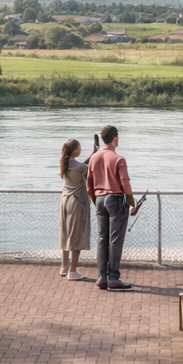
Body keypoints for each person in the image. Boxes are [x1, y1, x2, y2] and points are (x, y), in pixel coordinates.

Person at [86, 124, 139, 291]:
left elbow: (89, 185)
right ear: (115, 138)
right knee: (115, 240)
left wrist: (96, 202)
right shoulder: (119, 159)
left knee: (102, 239)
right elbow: (125, 184)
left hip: (99, 198)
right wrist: (132, 203)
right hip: (115, 199)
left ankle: (102, 277)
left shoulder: (94, 157)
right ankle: (114, 278)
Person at [58, 139, 92, 281]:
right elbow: (87, 167)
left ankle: (64, 266)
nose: (80, 149)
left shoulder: (64, 164)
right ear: (75, 150)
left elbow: (82, 164)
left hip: (65, 200)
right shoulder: (81, 168)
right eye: (79, 147)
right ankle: (73, 271)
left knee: (66, 233)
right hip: (77, 202)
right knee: (76, 236)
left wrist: (93, 153)